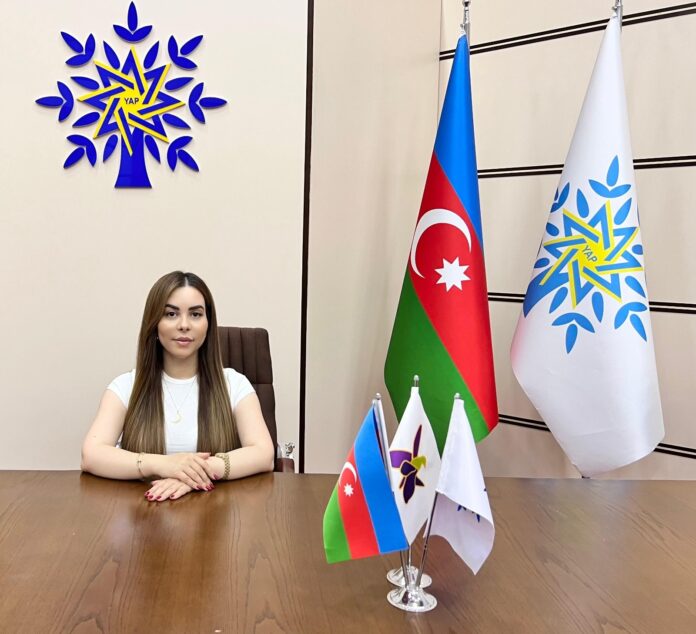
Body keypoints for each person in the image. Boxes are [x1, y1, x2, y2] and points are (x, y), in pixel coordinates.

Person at [81, 271, 275, 502]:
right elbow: (91, 455)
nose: (184, 325)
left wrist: (192, 473)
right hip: (142, 512)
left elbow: (264, 454)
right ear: (154, 323)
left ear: (208, 324)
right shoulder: (126, 386)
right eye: (171, 314)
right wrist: (164, 465)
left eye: (195, 314)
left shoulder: (234, 384)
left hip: (215, 513)